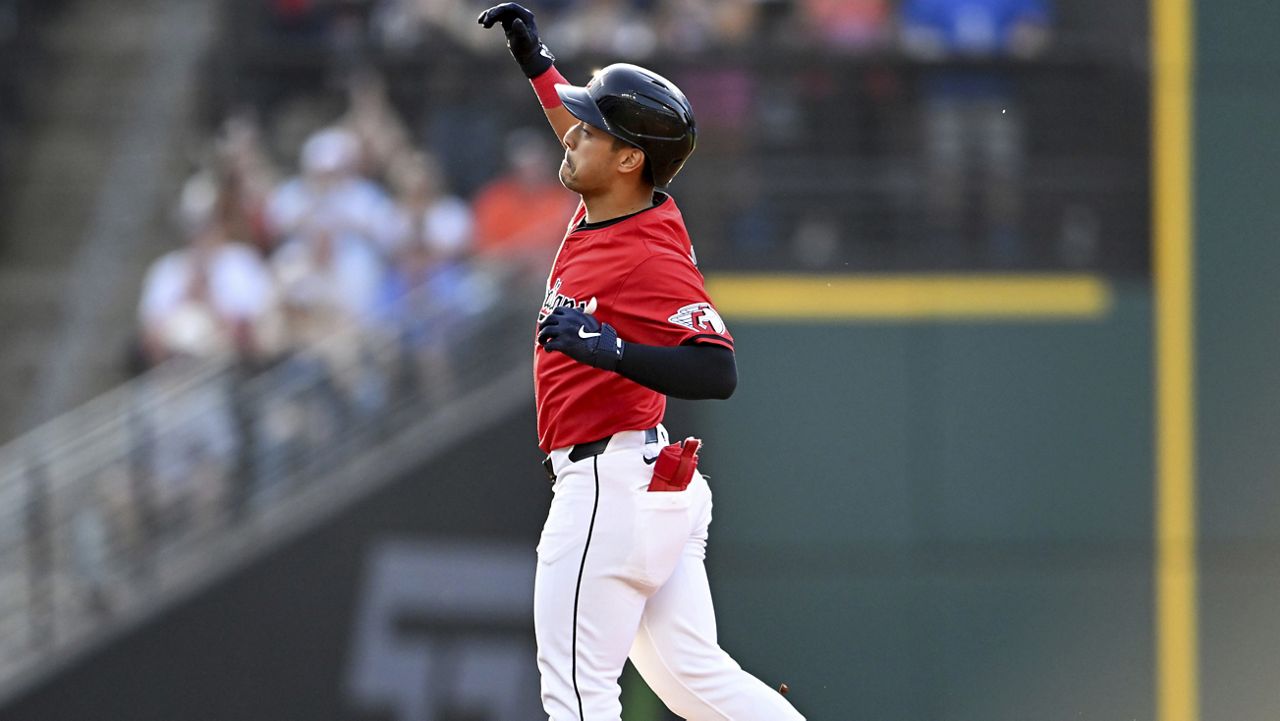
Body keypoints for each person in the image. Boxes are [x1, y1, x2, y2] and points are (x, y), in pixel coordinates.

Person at [478, 5, 805, 720]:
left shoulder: (647, 251)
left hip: (608, 485)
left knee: (576, 694)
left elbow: (718, 371)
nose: (573, 135)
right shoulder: (615, 194)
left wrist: (611, 349)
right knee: (700, 685)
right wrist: (540, 67)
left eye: (591, 128)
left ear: (628, 158)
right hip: (647, 484)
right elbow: (582, 144)